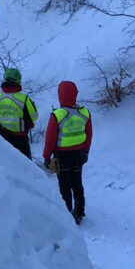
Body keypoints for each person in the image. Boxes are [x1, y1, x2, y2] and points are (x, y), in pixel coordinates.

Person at [43, 80, 92, 224]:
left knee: (64, 185)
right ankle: (79, 212)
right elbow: (89, 135)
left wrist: (46, 156)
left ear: (60, 95)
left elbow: (50, 138)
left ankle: (66, 213)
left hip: (61, 156)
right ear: (75, 94)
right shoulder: (84, 112)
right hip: (79, 155)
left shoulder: (57, 115)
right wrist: (86, 152)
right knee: (77, 183)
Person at [0, 68, 39, 159]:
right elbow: (34, 116)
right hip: (20, 141)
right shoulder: (24, 99)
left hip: (0, 140)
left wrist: (0, 131)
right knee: (25, 168)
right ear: (18, 81)